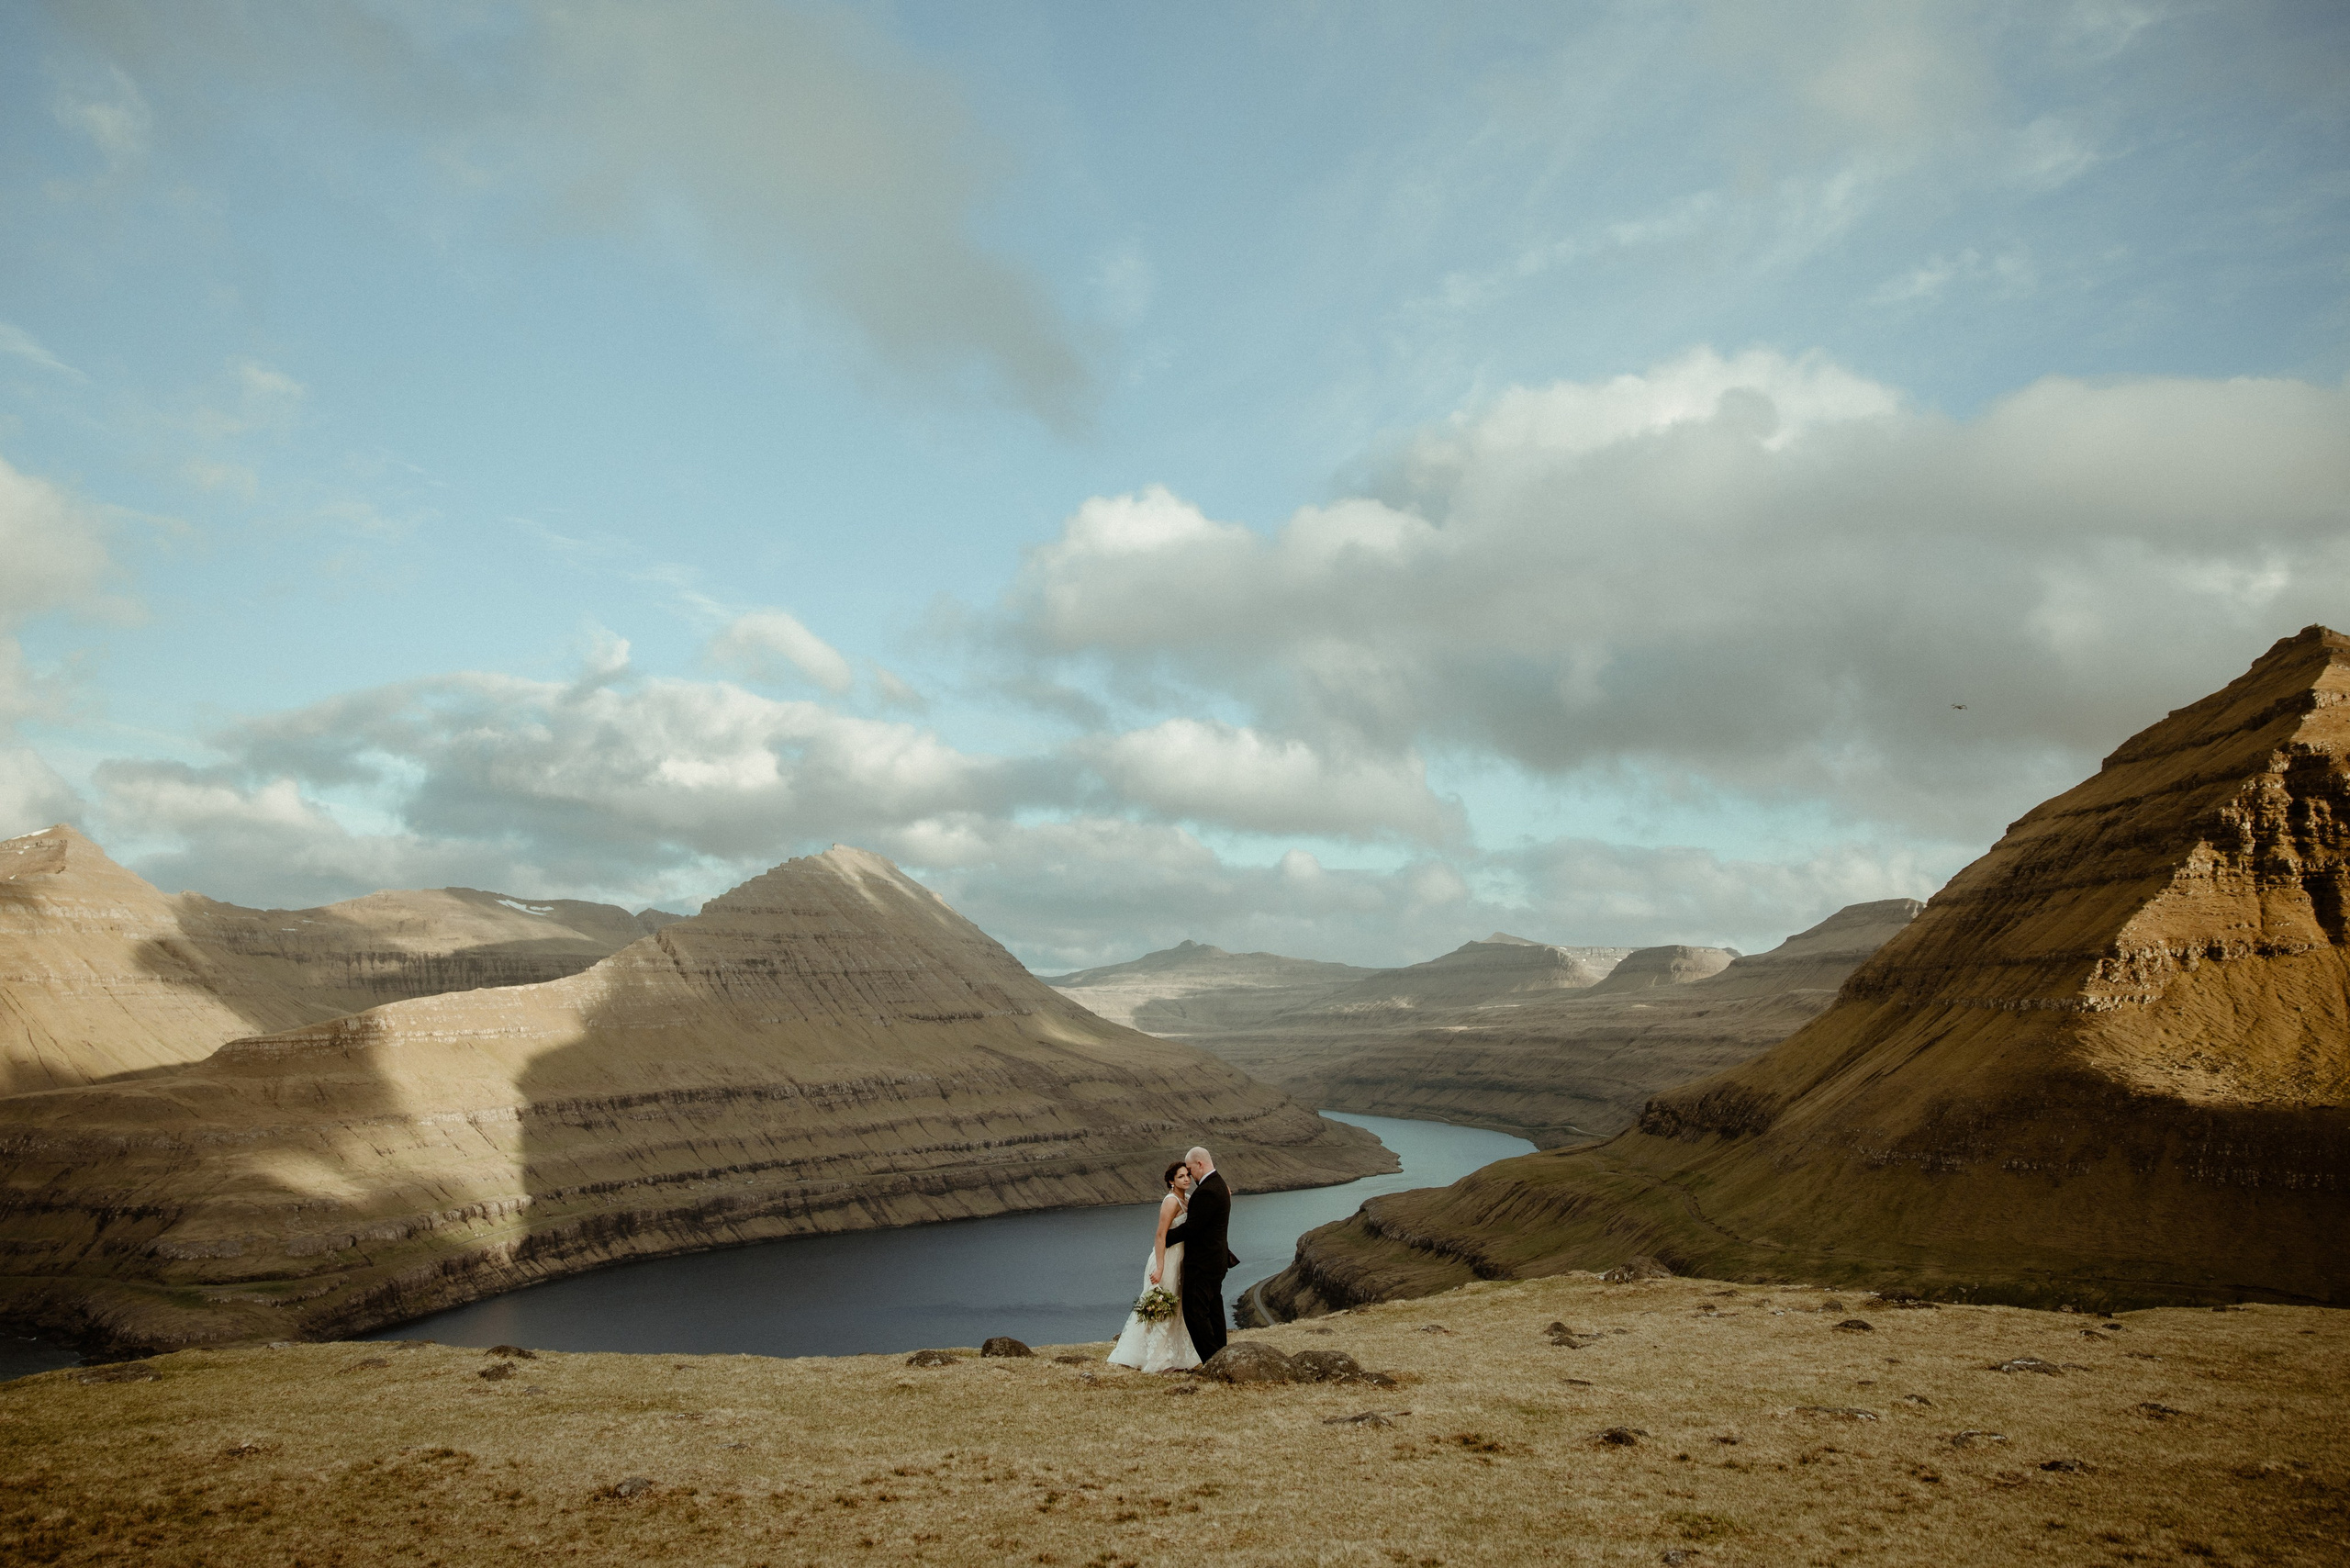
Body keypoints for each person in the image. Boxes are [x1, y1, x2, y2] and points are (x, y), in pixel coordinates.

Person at [1105, 1161, 1203, 1372]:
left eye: (1187, 1175)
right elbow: (1160, 1235)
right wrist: (1159, 1268)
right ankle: (1159, 1360)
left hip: (1181, 1260)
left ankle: (1176, 1357)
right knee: (1163, 1307)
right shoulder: (1171, 1201)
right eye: (1180, 1177)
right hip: (1167, 1259)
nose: (1186, 1179)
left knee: (1177, 1308)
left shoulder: (1187, 1199)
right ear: (1171, 1181)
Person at [1178, 1145, 1238, 1361]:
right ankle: (1221, 1356)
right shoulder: (1220, 1184)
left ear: (1200, 1164)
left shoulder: (1207, 1191)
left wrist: (1164, 1237)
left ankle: (1212, 1360)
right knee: (1214, 1308)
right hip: (1216, 1261)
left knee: (1194, 1312)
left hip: (1203, 1264)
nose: (1190, 1175)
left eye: (1190, 1169)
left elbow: (1192, 1228)